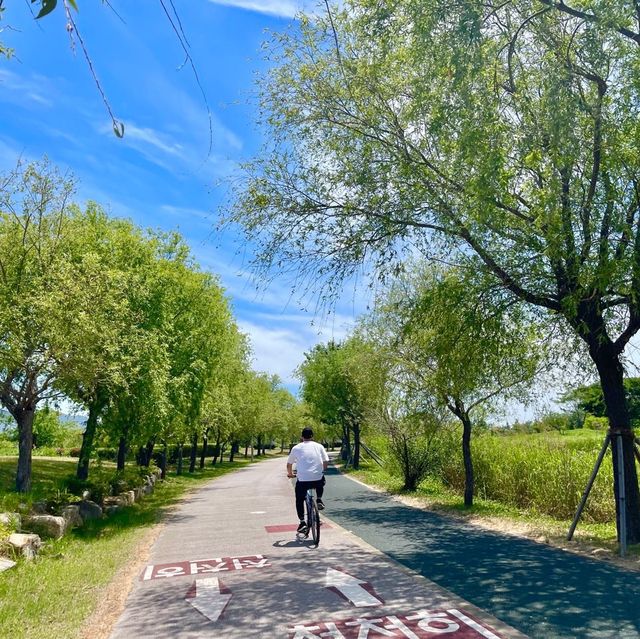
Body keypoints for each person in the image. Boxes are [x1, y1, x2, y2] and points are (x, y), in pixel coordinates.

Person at [287, 427, 329, 533]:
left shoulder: (296, 448)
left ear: (301, 437)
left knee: (299, 499)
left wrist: (291, 474)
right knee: (321, 480)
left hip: (303, 480)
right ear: (312, 436)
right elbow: (325, 461)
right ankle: (319, 499)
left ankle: (302, 522)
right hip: (317, 478)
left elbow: (289, 464)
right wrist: (322, 470)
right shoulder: (319, 446)